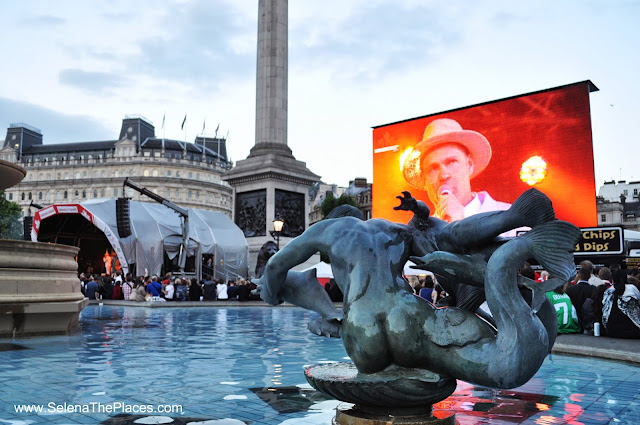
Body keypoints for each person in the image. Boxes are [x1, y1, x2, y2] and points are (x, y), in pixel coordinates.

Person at [256, 191, 580, 389]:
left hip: (360, 328)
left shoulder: (329, 229)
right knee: (501, 368)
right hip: (406, 315)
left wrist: (272, 294)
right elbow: (449, 239)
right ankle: (513, 219)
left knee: (367, 359)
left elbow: (274, 267)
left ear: (334, 219)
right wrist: (421, 211)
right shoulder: (393, 230)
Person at [401, 118, 511, 223]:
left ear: (469, 165)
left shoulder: (511, 218)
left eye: (452, 162)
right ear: (424, 179)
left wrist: (458, 224)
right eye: (433, 168)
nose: (443, 175)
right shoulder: (418, 236)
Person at [602, 269, 640, 339]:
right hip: (630, 329)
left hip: (611, 330)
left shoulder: (609, 291)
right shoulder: (632, 288)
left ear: (613, 280)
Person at [566, 266, 594, 331]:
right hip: (588, 320)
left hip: (575, 318)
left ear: (578, 276)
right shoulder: (593, 289)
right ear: (589, 276)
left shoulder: (570, 290)